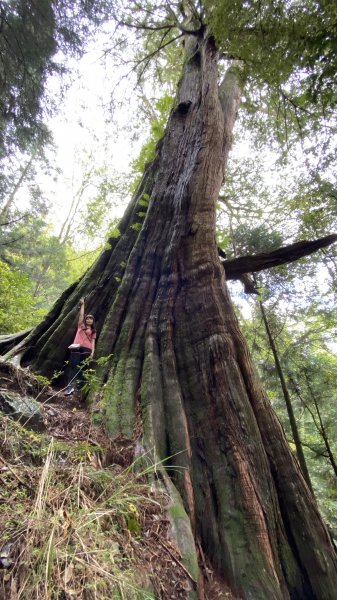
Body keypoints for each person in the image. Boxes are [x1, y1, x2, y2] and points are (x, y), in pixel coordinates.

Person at [64, 297, 96, 395]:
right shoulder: (81, 326)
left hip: (87, 349)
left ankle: (78, 388)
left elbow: (93, 342)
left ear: (93, 321)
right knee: (73, 366)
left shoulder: (93, 331)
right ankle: (69, 387)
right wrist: (82, 305)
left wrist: (92, 353)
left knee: (82, 369)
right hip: (77, 347)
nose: (89, 320)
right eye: (88, 318)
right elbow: (81, 315)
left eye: (91, 319)